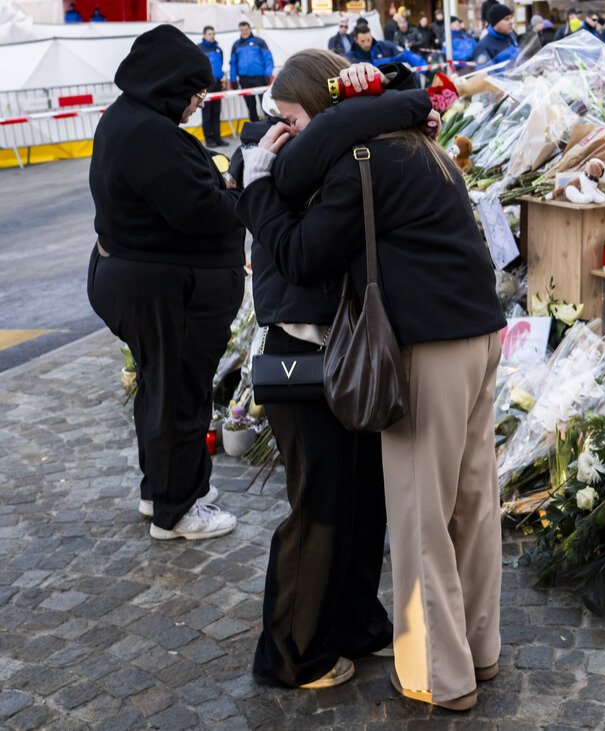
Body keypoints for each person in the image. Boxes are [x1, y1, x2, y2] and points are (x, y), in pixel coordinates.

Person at [237, 45, 505, 713]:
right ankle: (480, 647)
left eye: (294, 119)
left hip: (430, 345)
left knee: (420, 518)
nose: (286, 133)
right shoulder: (418, 144)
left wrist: (257, 186)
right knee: (472, 505)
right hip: (479, 332)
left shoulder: (361, 161)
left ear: (328, 117)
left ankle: (440, 677)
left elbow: (300, 254)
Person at [87, 25, 243, 541]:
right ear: (170, 83)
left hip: (137, 278)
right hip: (158, 289)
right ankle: (177, 511)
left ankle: (162, 488)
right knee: (179, 394)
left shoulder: (128, 119)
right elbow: (200, 211)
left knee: (159, 389)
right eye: (194, 92)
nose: (198, 103)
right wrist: (234, 190)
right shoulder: (149, 134)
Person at [230, 21, 275, 122]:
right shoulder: (236, 45)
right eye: (242, 30)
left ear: (250, 29)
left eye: (246, 29)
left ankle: (270, 126)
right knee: (251, 107)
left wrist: (268, 74)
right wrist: (233, 79)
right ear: (240, 31)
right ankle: (255, 129)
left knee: (265, 105)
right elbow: (233, 63)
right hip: (244, 80)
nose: (244, 32)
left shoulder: (259, 42)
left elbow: (268, 58)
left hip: (260, 78)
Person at [197, 26, 226, 147]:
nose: (212, 36)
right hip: (205, 85)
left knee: (216, 112)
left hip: (217, 84)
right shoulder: (199, 49)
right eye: (209, 34)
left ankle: (218, 138)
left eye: (213, 34)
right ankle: (209, 139)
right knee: (207, 112)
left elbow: (220, 65)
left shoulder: (218, 49)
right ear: (204, 35)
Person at [348, 26, 427, 68]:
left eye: (369, 40)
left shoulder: (384, 46)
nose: (367, 44)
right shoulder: (349, 57)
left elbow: (406, 55)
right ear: (356, 40)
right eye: (363, 41)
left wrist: (425, 68)